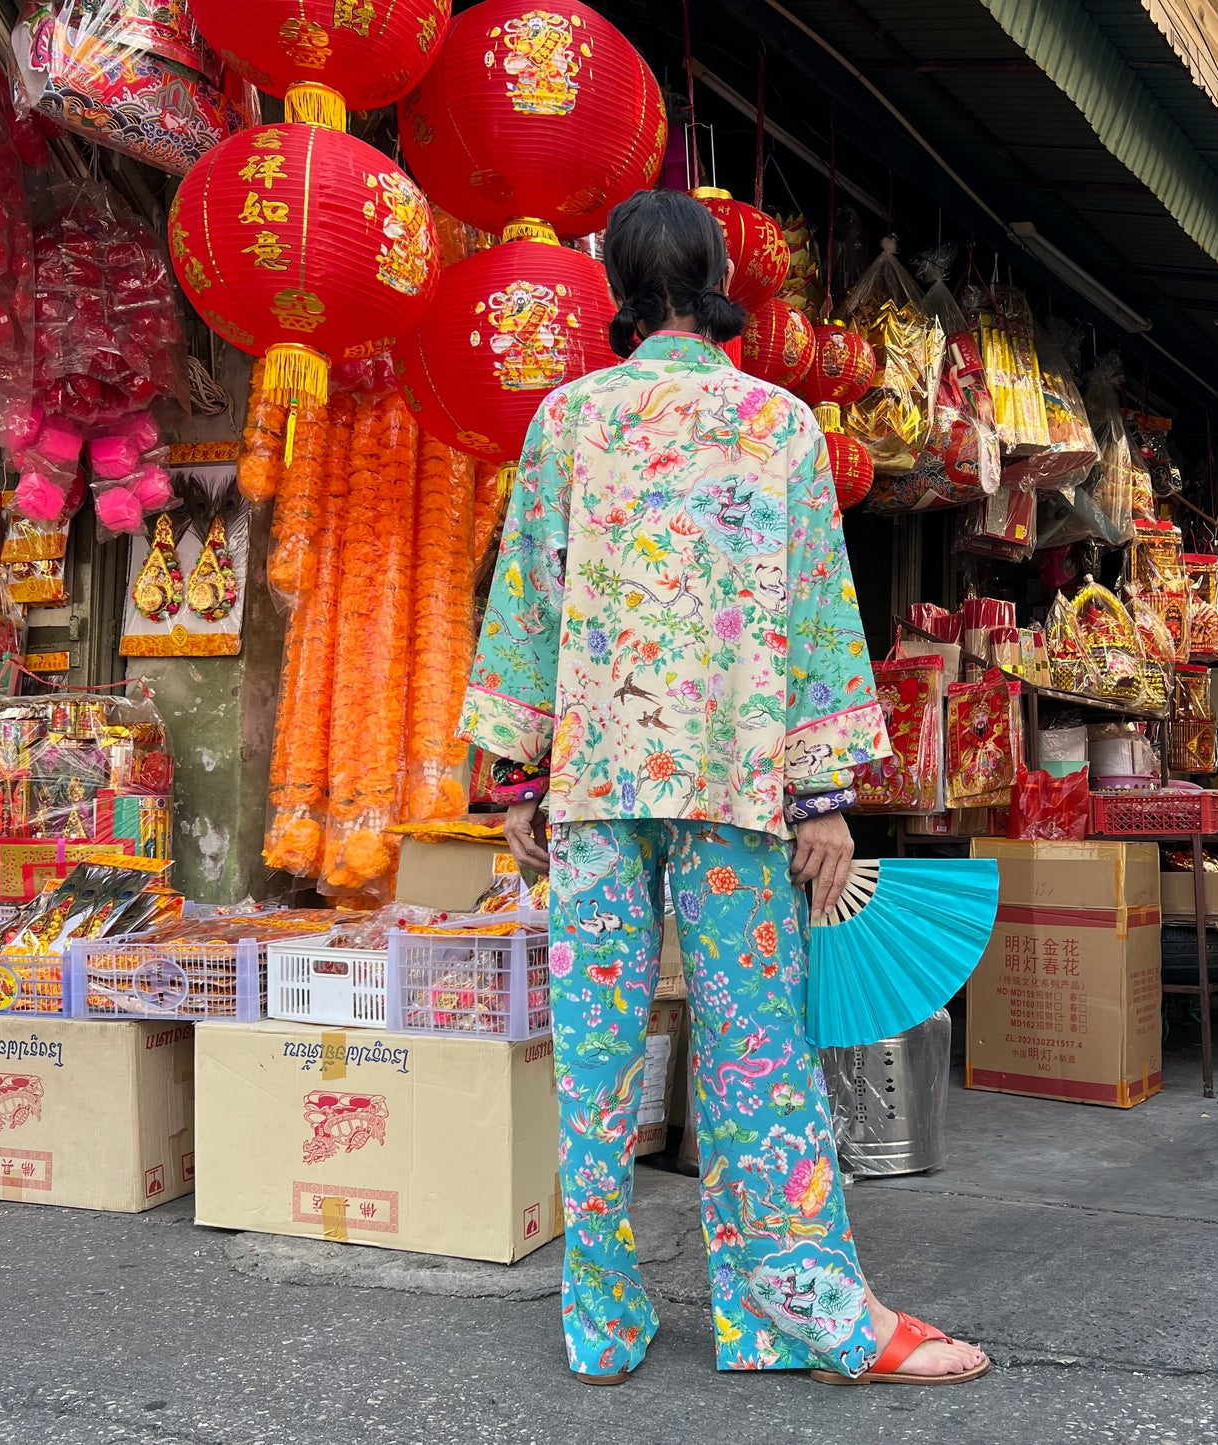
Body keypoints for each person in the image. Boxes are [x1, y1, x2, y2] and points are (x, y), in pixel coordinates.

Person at [460, 187, 988, 1389]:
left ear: (610, 286)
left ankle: (599, 1317)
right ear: (714, 281)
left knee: (593, 1055)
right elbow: (813, 612)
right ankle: (793, 1310)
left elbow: (525, 602)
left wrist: (518, 777)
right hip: (735, 780)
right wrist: (822, 798)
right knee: (756, 1052)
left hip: (596, 781)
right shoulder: (782, 428)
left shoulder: (566, 423)